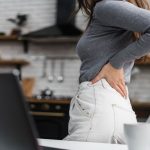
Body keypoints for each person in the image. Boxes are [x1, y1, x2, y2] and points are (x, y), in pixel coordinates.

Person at [64, 0, 150, 144]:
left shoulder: (106, 6)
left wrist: (116, 63)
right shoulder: (113, 8)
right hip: (114, 106)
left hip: (99, 108)